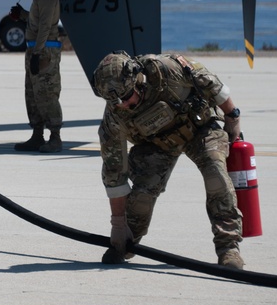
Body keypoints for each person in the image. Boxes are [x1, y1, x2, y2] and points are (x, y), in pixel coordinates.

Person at [92, 51, 245, 269]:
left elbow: (213, 85)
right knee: (142, 195)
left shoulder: (168, 69)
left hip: (199, 128)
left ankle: (228, 248)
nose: (122, 105)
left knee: (216, 175)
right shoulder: (114, 117)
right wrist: (118, 224)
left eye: (126, 98)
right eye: (115, 101)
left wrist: (233, 117)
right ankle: (128, 241)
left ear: (138, 81)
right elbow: (114, 173)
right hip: (158, 144)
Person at [10, 0, 63, 153]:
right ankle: (37, 135)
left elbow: (45, 26)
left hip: (44, 51)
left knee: (46, 94)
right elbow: (36, 21)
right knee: (32, 94)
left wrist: (38, 53)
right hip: (35, 48)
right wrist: (22, 15)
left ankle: (55, 138)